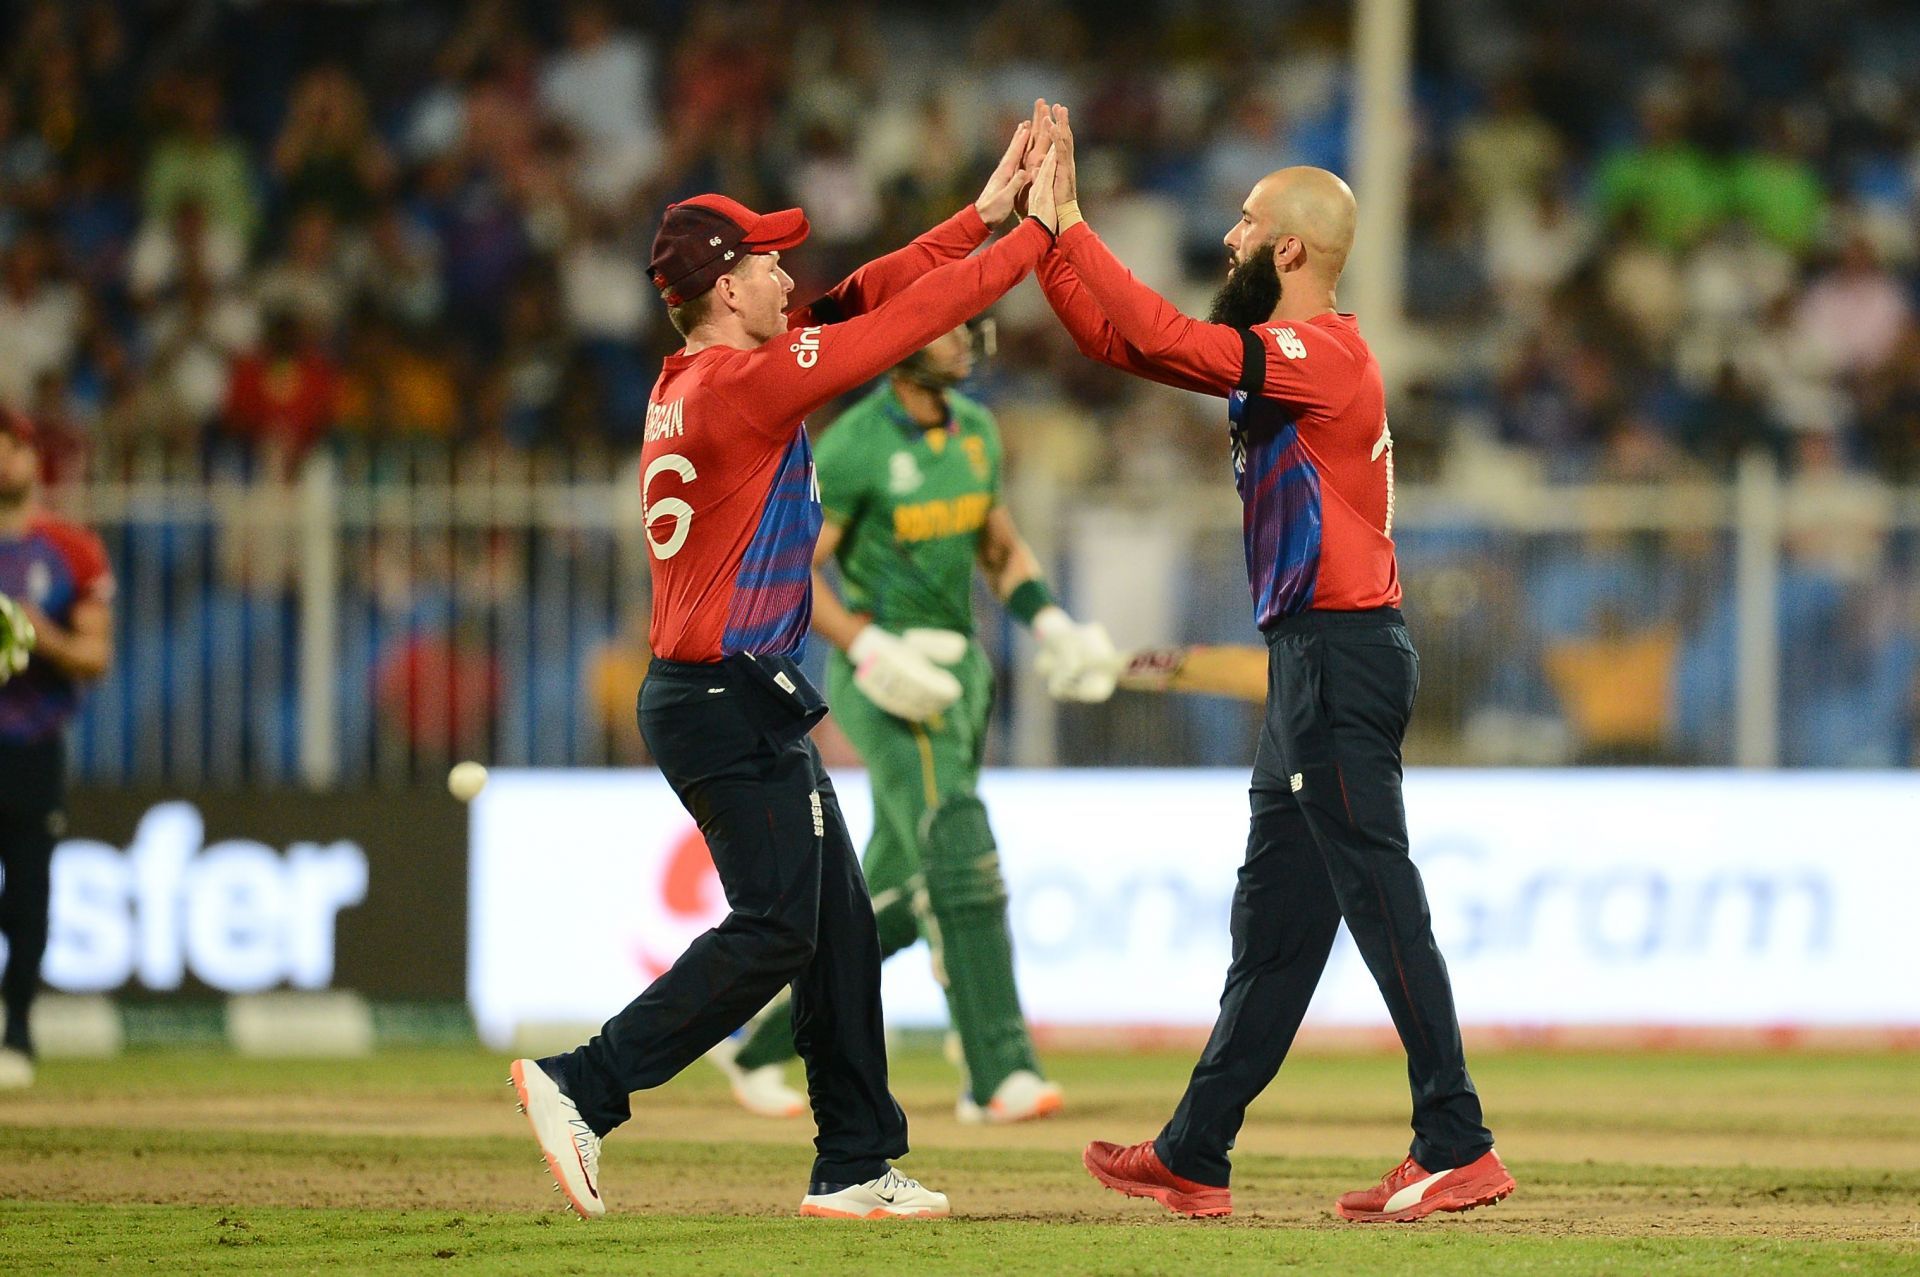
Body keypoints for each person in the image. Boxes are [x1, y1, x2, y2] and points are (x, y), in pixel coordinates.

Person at [508, 124, 1066, 1221]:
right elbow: (898, 322)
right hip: (722, 696)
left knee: (841, 924)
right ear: (724, 286)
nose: (786, 272)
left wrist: (984, 218)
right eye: (765, 259)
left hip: (733, 692)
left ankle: (856, 1160)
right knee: (779, 926)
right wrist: (1040, 242)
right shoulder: (740, 389)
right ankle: (584, 1082)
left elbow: (860, 298)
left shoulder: (715, 375)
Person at [1026, 102, 1514, 1222]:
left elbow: (1161, 333)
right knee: (1279, 925)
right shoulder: (1281, 363)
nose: (1231, 240)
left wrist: (1078, 226)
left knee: (1378, 890)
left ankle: (1456, 1136)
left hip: (1340, 654)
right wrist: (1046, 241)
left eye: (1246, 224)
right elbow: (1120, 342)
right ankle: (1196, 1149)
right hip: (1313, 659)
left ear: (1291, 247)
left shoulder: (1320, 356)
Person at [711, 320, 1116, 1125]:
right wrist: (866, 642)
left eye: (972, 327)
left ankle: (758, 1042)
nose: (968, 341)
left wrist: (1052, 623)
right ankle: (996, 1069)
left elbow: (999, 550)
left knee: (894, 888)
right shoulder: (857, 444)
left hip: (959, 673)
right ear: (902, 343)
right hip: (887, 682)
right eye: (949, 329)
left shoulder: (976, 430)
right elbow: (795, 572)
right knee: (956, 836)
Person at [0, 409, 114, 1088]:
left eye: (7, 448)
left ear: (30, 457)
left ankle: (17, 1029)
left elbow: (95, 655)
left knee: (28, 896)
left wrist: (36, 634)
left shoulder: (68, 548)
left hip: (34, 745)